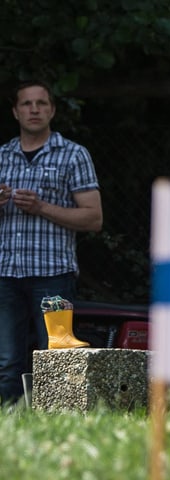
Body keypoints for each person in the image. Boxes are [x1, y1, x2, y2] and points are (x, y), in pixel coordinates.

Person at [0, 80, 103, 405]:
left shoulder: (73, 154)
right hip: (5, 276)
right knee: (6, 364)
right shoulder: (2, 155)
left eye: (41, 103)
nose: (34, 109)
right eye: (27, 104)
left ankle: (59, 427)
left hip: (53, 277)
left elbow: (94, 219)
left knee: (57, 358)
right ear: (15, 112)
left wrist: (41, 207)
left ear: (52, 110)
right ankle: (9, 433)